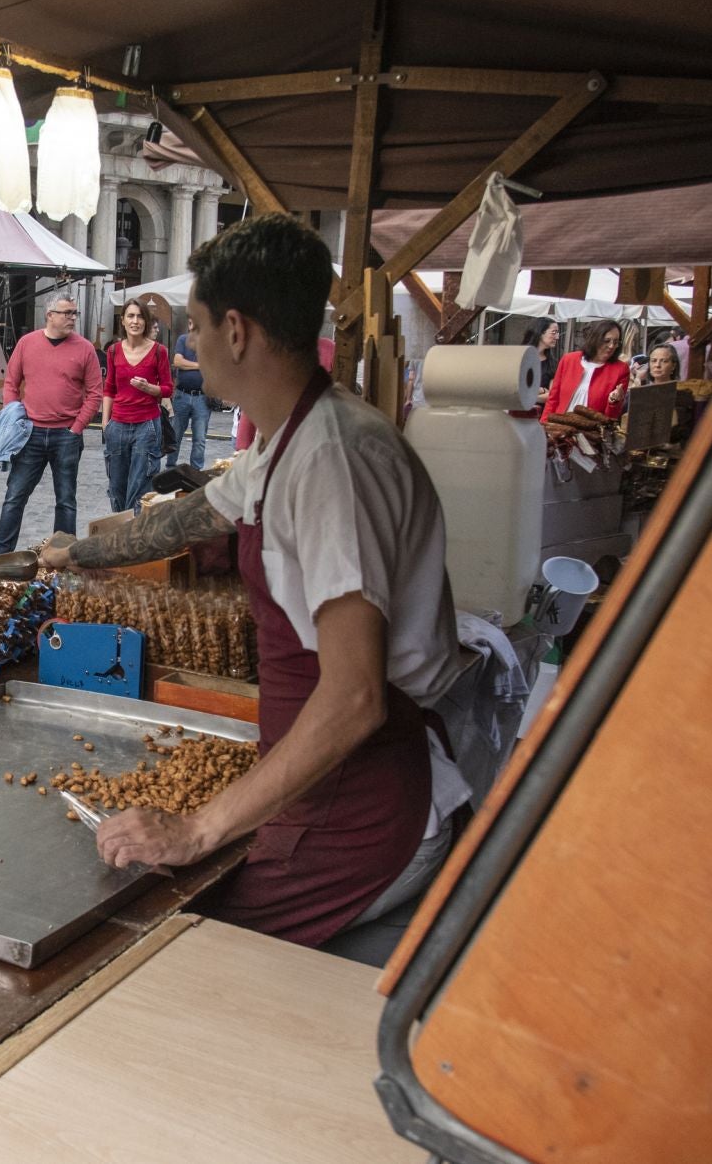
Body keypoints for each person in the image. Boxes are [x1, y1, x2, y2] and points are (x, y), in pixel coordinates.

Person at [38, 213, 473, 948]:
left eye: (197, 326)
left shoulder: (333, 461)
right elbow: (192, 517)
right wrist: (75, 554)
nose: (191, 344)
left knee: (159, 944)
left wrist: (199, 828)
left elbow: (355, 697)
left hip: (357, 812)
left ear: (236, 330)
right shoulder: (286, 440)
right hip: (317, 785)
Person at [0, 297, 102, 555]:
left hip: (66, 435)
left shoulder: (85, 349)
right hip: (30, 433)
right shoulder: (27, 343)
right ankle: (0, 558)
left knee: (66, 501)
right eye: (66, 313)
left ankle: (62, 558)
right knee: (14, 497)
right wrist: (14, 417)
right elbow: (11, 383)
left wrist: (77, 428)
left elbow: (95, 393)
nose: (72, 317)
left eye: (75, 313)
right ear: (49, 315)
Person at [101, 300, 173, 510]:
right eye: (130, 316)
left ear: (146, 321)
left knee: (140, 488)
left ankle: (136, 528)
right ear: (123, 321)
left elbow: (168, 389)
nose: (135, 321)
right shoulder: (113, 351)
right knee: (117, 487)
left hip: (146, 426)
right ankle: (119, 525)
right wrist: (105, 424)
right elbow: (109, 389)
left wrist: (149, 388)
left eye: (140, 316)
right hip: (117, 425)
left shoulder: (159, 351)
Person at [540, 321, 629, 421]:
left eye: (616, 342)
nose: (611, 346)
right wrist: (543, 424)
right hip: (560, 426)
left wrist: (614, 402)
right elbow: (553, 399)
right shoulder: (568, 360)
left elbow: (611, 417)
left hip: (592, 429)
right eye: (607, 341)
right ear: (594, 339)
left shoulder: (621, 369)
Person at [166, 316, 210, 472]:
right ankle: (170, 468)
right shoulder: (182, 340)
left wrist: (189, 365)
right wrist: (200, 365)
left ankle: (196, 471)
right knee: (175, 435)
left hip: (202, 397)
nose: (193, 326)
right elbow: (178, 362)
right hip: (182, 395)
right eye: (190, 323)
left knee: (200, 439)